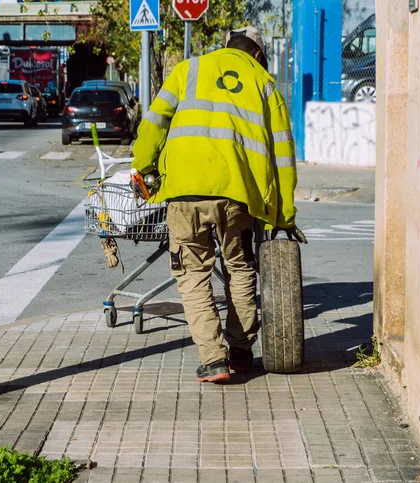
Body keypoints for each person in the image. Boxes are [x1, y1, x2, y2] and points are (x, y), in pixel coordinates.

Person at [130, 26, 307, 384]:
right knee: (240, 268)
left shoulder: (187, 70)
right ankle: (241, 352)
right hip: (238, 196)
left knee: (193, 274)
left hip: (185, 193)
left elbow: (153, 123)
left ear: (227, 47)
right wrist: (284, 215)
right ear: (257, 55)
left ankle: (213, 361)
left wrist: (143, 165)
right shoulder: (265, 84)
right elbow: (284, 156)